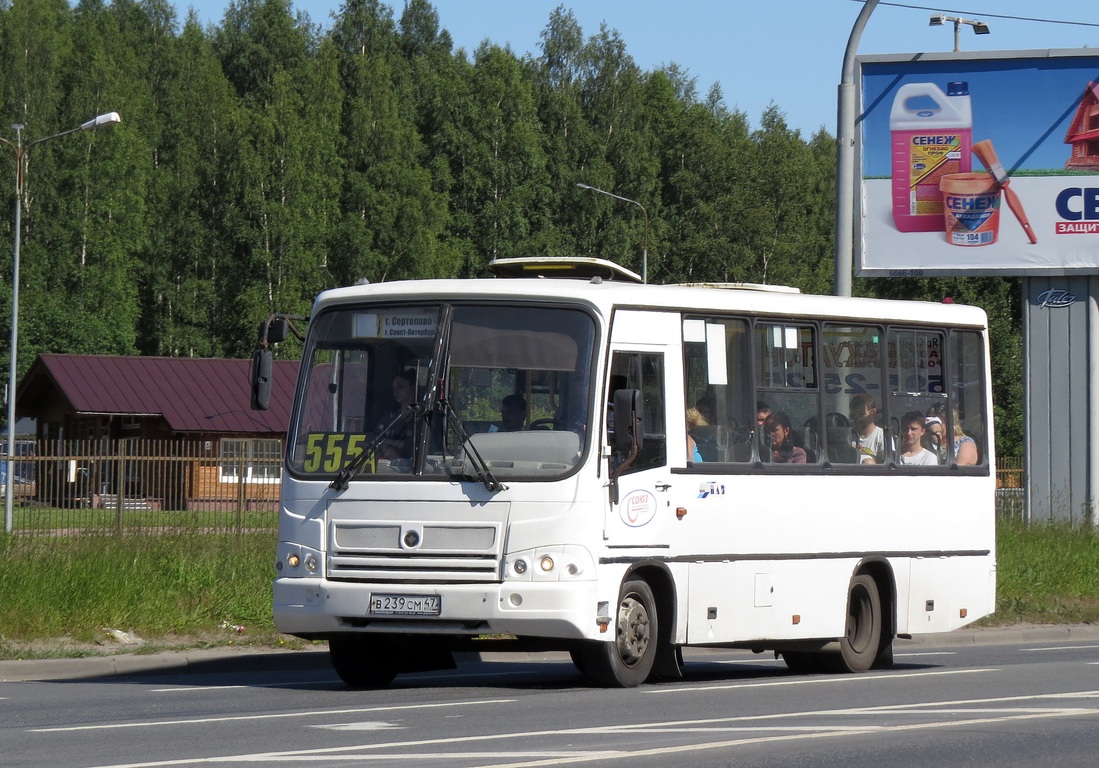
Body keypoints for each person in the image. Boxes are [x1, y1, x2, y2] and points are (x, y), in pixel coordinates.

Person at [375, 369, 418, 460]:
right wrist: (386, 449)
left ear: (413, 388)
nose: (396, 391)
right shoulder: (388, 417)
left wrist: (388, 443)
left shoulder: (422, 418)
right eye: (394, 388)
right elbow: (376, 439)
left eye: (401, 386)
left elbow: (417, 446)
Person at [849, 393, 885, 464]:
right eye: (853, 415)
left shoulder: (882, 435)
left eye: (861, 415)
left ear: (873, 412)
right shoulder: (847, 435)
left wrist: (863, 454)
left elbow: (886, 463)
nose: (857, 419)